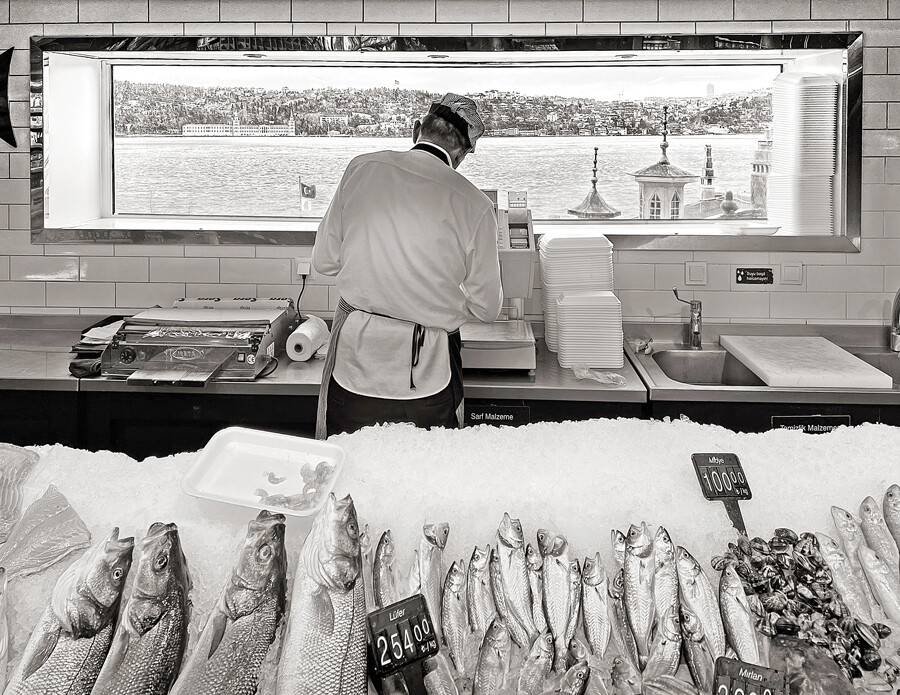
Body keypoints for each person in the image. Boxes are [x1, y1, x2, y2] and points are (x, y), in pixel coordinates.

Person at [312, 93, 503, 438]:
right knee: (427, 479)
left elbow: (325, 262)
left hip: (355, 359)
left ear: (416, 129)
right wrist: (435, 297)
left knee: (348, 471)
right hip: (431, 371)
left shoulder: (361, 168)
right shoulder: (475, 205)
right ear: (462, 154)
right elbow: (487, 308)